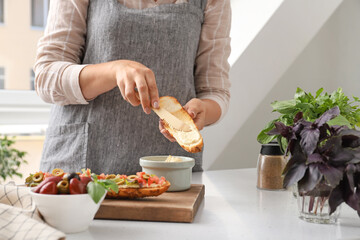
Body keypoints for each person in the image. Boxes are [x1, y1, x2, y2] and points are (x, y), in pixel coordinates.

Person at [34, 0, 231, 175]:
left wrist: (203, 110)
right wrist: (113, 71)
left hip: (170, 173)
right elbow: (46, 77)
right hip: (80, 167)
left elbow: (215, 91)